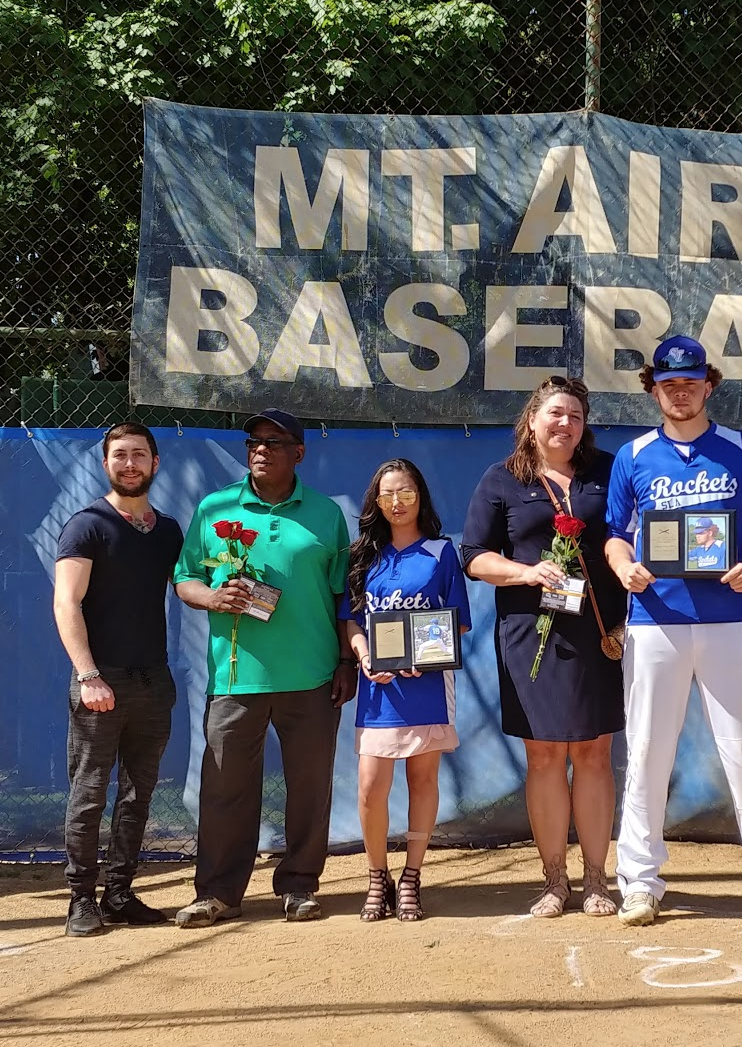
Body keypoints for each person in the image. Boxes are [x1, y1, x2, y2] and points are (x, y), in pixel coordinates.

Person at [604, 335, 742, 928]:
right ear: (654, 388)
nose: (680, 391)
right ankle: (639, 881)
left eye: (690, 382)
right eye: (668, 384)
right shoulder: (635, 455)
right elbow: (617, 533)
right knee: (646, 753)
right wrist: (624, 566)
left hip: (726, 622)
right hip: (655, 622)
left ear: (709, 384)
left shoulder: (740, 451)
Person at [171, 409, 356, 926]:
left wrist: (345, 660)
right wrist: (212, 597)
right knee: (225, 787)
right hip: (235, 676)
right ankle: (218, 892)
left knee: (310, 788)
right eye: (254, 441)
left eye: (275, 442)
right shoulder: (215, 508)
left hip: (314, 675)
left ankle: (299, 886)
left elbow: (344, 595)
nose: (261, 449)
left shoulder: (325, 514)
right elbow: (184, 577)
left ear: (299, 452)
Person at [463, 377, 627, 918]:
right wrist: (526, 571)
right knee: (545, 755)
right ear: (532, 420)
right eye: (555, 413)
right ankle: (555, 881)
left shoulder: (608, 472)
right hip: (531, 635)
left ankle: (598, 880)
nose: (565, 424)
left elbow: (630, 535)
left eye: (576, 416)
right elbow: (475, 557)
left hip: (599, 633)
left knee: (595, 753)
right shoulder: (500, 479)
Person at [53, 423, 185, 936]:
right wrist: (88, 675)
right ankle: (80, 899)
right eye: (119, 456)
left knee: (139, 793)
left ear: (155, 463)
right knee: (88, 793)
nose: (129, 464)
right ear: (105, 464)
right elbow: (67, 602)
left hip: (154, 680)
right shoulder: (86, 525)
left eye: (138, 455)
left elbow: (194, 582)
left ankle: (119, 893)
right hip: (99, 682)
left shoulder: (169, 531)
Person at [340, 459, 471, 923]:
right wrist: (363, 653)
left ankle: (412, 876)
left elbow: (457, 621)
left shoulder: (441, 552)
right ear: (376, 501)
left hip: (427, 687)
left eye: (407, 493)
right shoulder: (362, 555)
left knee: (423, 781)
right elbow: (351, 618)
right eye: (388, 494)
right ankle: (378, 877)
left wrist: (424, 655)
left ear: (421, 497)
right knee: (371, 787)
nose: (397, 502)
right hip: (378, 690)